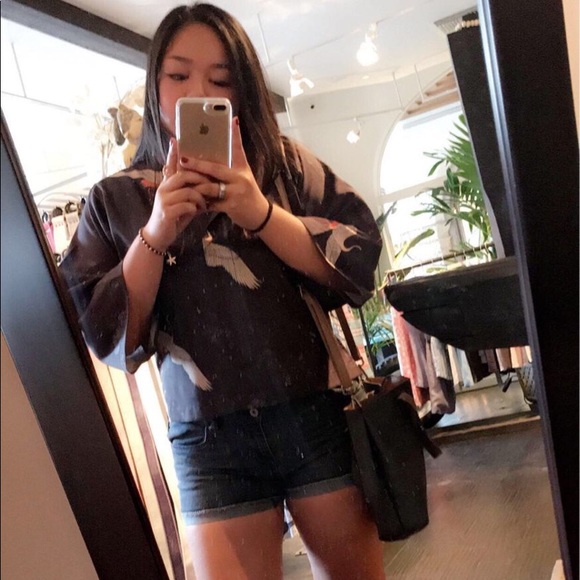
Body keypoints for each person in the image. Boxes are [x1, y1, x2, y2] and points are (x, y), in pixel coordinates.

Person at [60, 3, 386, 579]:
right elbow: (106, 330)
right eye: (178, 75)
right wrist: (156, 230)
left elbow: (358, 252)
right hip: (207, 439)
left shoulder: (282, 165)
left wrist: (259, 212)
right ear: (154, 82)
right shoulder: (116, 199)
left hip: (313, 409)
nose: (198, 92)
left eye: (220, 79)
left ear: (243, 90)